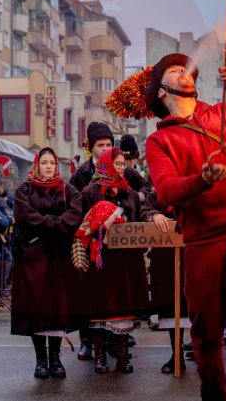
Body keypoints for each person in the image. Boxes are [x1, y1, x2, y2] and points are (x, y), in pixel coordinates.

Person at [143, 53, 226, 401]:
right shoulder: (158, 141)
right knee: (205, 336)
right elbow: (167, 190)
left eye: (185, 67)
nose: (183, 70)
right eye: (174, 69)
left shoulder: (225, 112)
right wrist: (201, 179)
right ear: (161, 91)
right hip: (203, 243)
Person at [70, 123, 149, 360]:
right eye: (100, 145)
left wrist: (139, 198)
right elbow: (73, 203)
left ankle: (118, 342)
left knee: (120, 297)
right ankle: (88, 341)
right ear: (91, 147)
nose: (105, 148)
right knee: (93, 298)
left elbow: (144, 187)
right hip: (96, 249)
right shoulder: (83, 174)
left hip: (122, 251)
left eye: (108, 144)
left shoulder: (123, 168)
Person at [12, 147, 83, 379]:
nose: (49, 166)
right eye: (44, 162)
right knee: (36, 308)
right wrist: (53, 223)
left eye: (52, 162)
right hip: (33, 258)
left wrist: (55, 224)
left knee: (57, 309)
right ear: (37, 165)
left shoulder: (68, 190)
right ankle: (40, 360)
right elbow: (25, 216)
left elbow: (74, 214)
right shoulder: (25, 190)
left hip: (59, 259)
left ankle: (55, 358)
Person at [141, 190, 188, 374]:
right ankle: (177, 355)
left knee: (196, 307)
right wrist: (155, 215)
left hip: (193, 254)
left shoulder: (193, 186)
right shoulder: (157, 193)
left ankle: (204, 355)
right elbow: (144, 210)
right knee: (171, 306)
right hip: (165, 259)